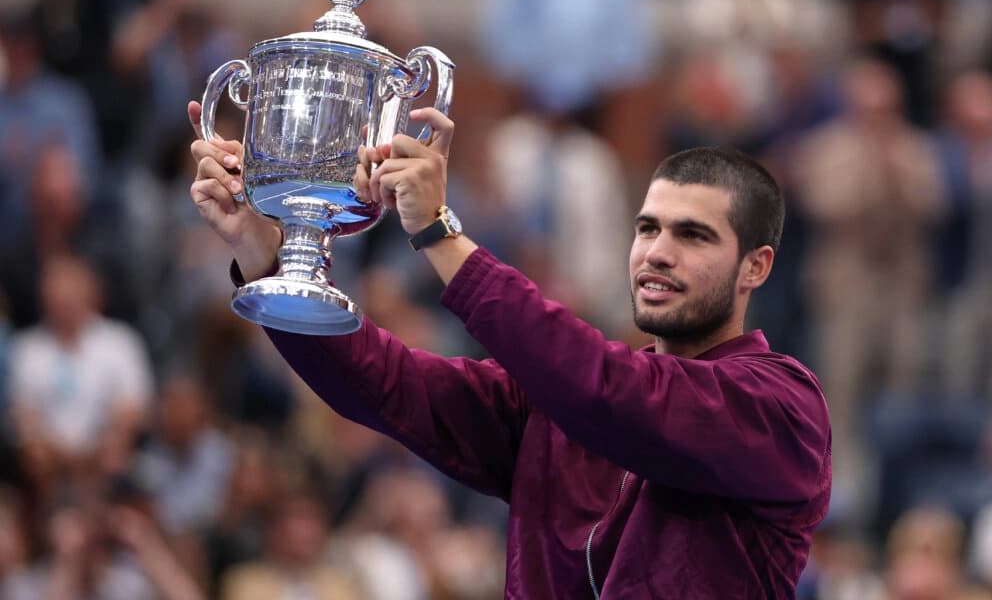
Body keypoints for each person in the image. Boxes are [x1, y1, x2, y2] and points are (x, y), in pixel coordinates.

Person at [188, 101, 832, 597]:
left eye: (693, 235)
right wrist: (266, 254)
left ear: (756, 267)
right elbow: (383, 381)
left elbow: (616, 394)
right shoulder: (554, 403)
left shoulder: (782, 407)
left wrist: (439, 233)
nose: (658, 251)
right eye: (647, 228)